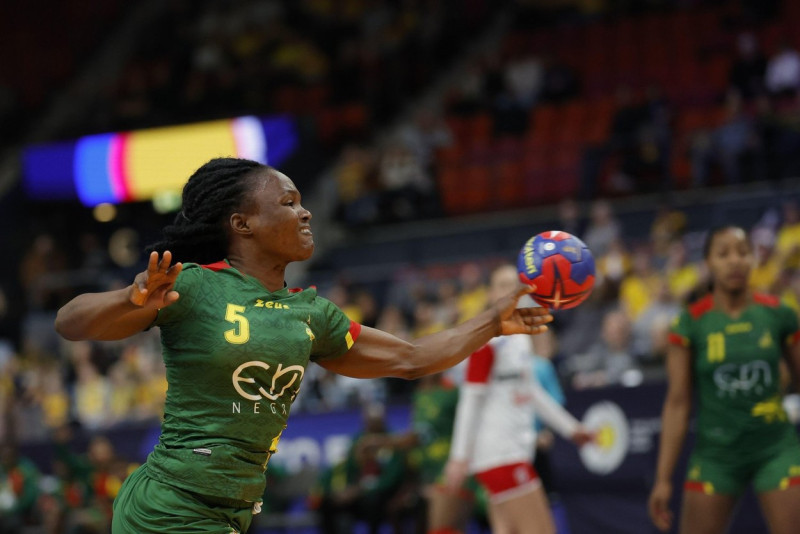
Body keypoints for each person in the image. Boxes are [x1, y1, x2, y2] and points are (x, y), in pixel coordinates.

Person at [53, 157, 553, 534]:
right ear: (242, 224)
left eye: (300, 200)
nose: (305, 210)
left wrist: (491, 321)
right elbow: (70, 323)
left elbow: (411, 358)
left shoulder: (311, 313)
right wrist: (131, 296)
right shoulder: (194, 286)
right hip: (167, 505)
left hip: (230, 512)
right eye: (288, 202)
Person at [648, 226, 800, 534]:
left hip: (776, 448)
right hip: (716, 454)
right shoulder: (689, 323)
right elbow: (677, 403)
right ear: (707, 262)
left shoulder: (779, 314)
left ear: (753, 259)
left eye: (743, 252)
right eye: (723, 253)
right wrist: (663, 479)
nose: (734, 261)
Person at [443, 264, 593, 534]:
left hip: (511, 455)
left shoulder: (519, 340)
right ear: (490, 294)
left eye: (515, 284)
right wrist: (459, 457)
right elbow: (470, 399)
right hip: (500, 457)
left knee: (506, 530)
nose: (510, 291)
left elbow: (534, 393)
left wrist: (573, 430)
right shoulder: (486, 341)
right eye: (502, 285)